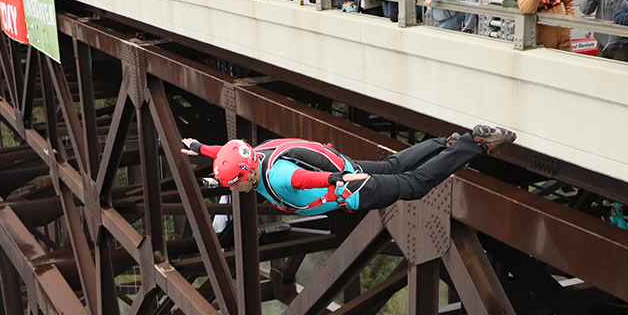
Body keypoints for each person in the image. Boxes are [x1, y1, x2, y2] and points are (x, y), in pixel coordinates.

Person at [180, 127, 517, 215]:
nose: (233, 190)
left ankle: (474, 144)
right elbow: (226, 152)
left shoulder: (277, 177)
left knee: (413, 185)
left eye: (233, 185)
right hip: (345, 167)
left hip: (352, 188)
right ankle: (444, 143)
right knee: (393, 165)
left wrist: (338, 180)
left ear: (246, 176)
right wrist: (201, 150)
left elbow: (302, 179)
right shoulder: (254, 155)